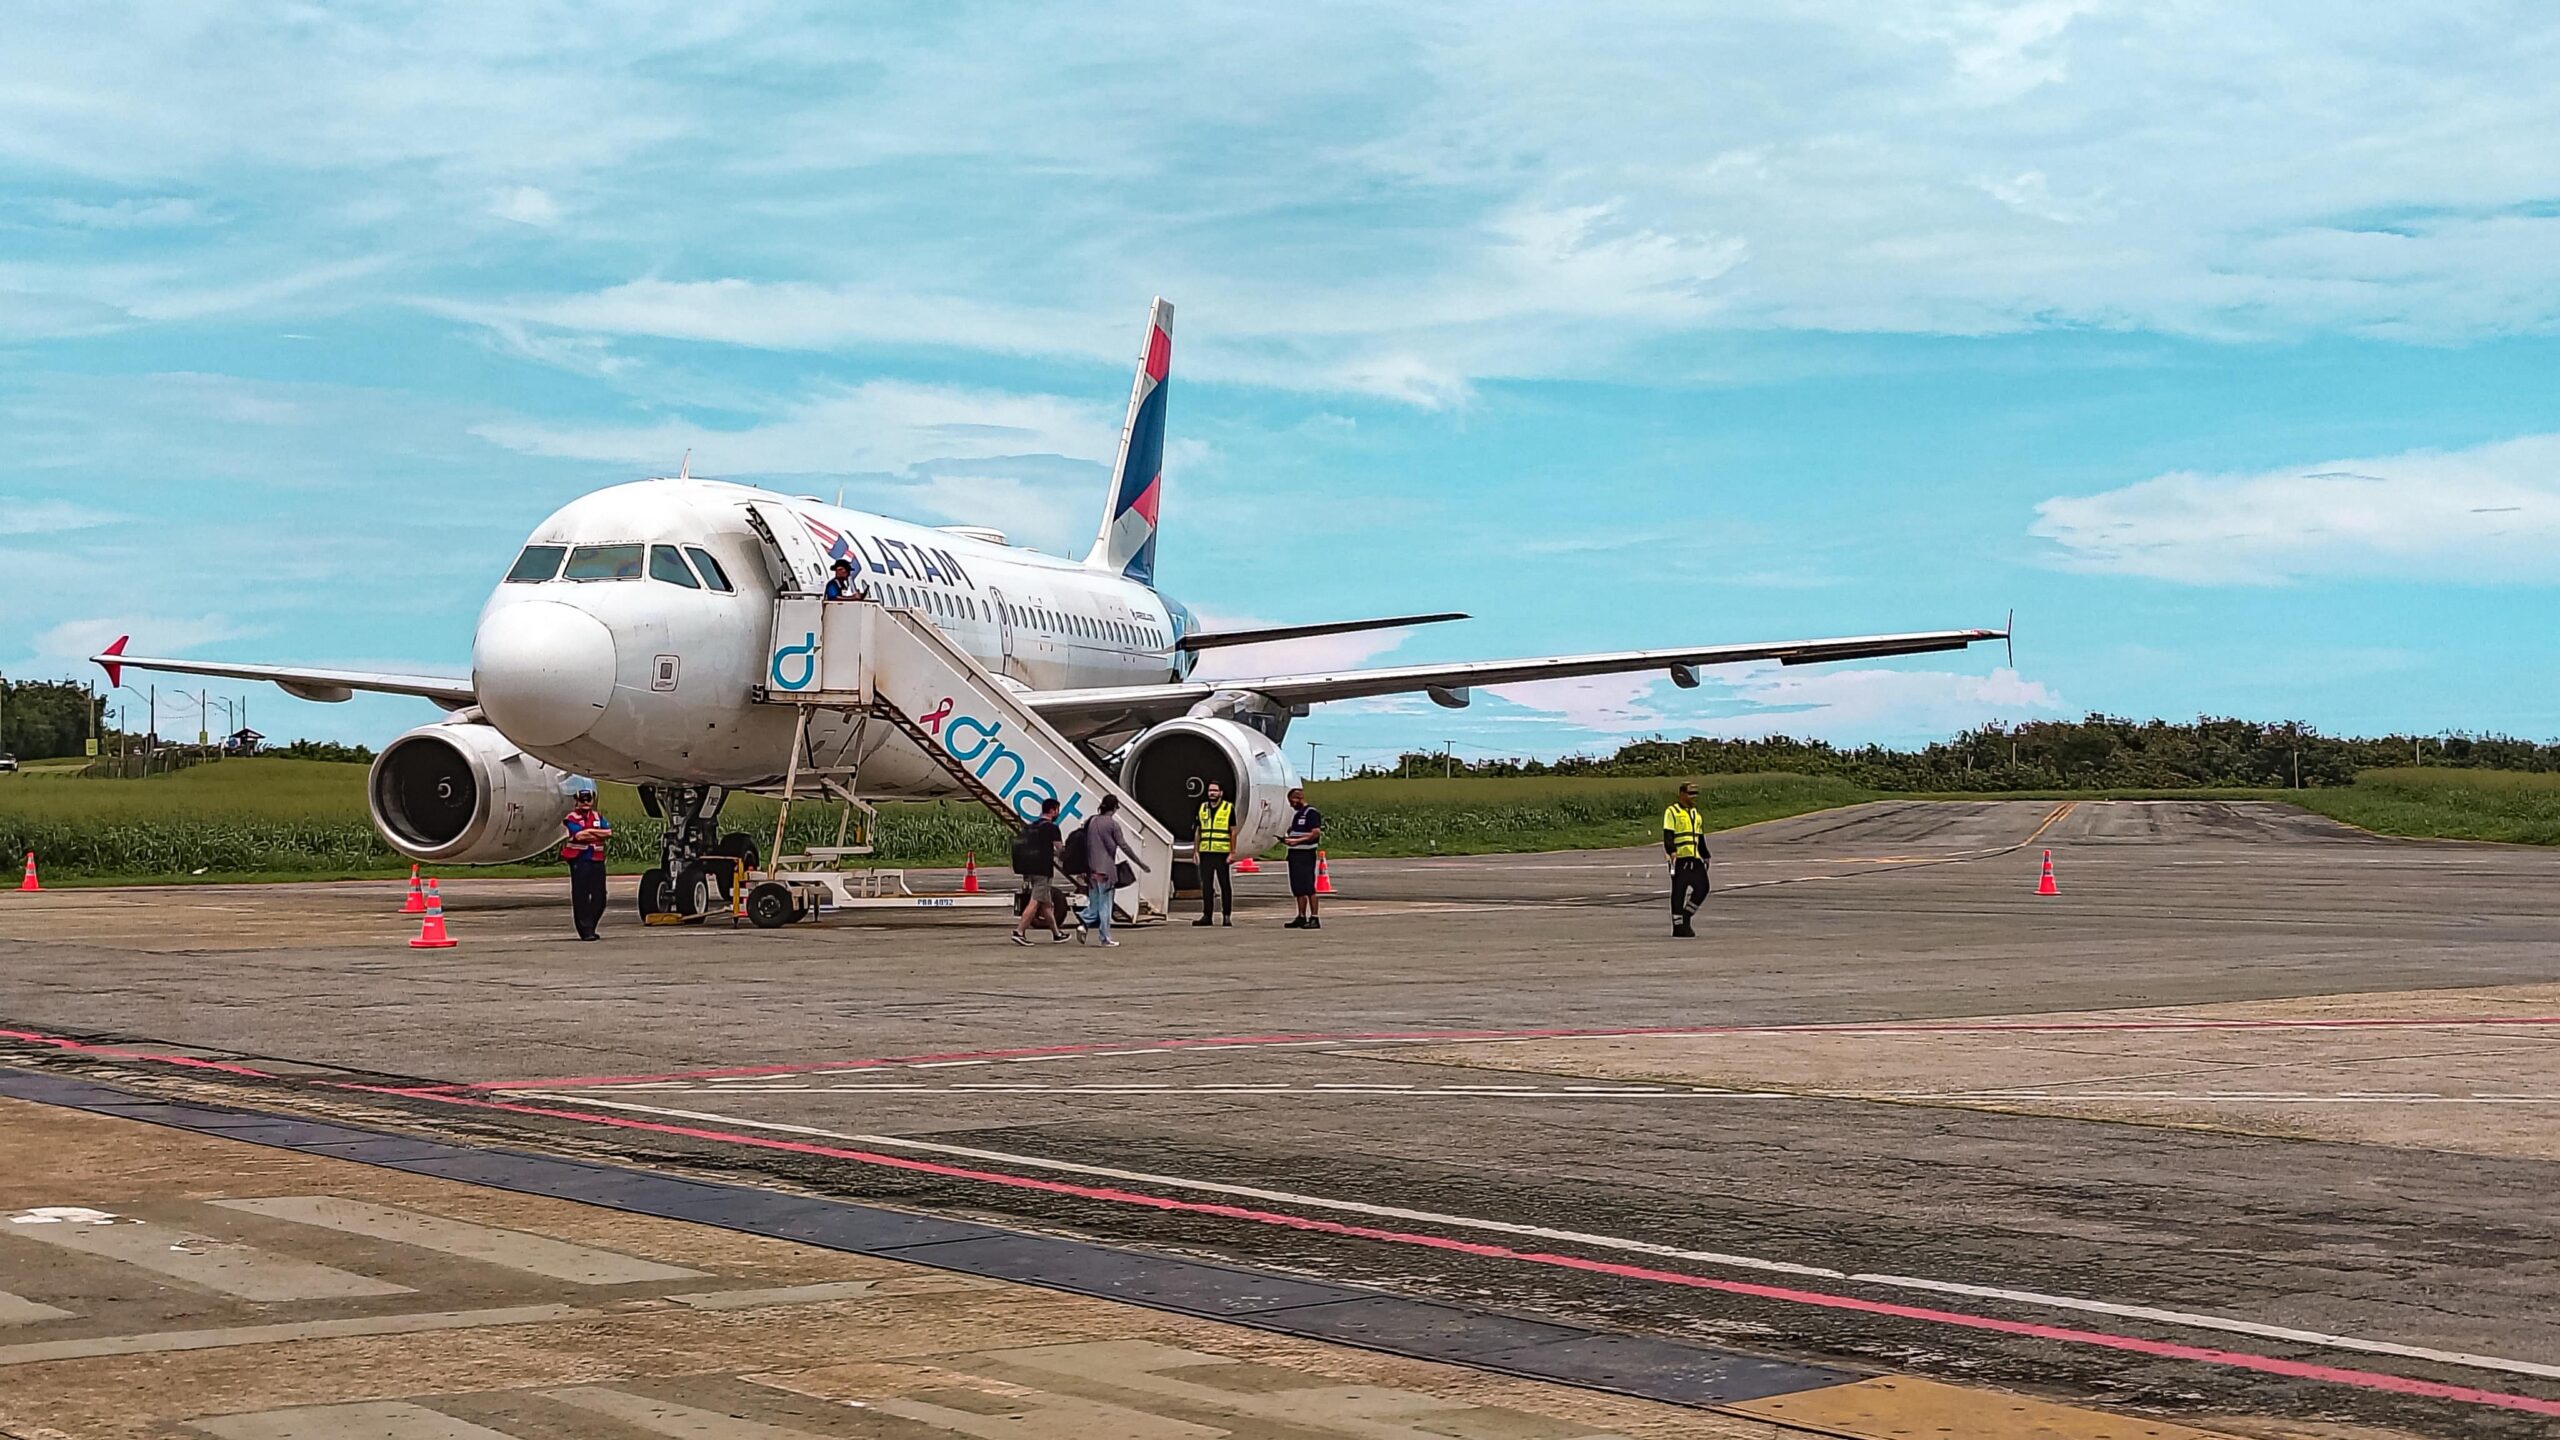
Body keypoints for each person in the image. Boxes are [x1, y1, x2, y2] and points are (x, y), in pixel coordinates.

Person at [1076, 793, 1148, 947]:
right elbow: (1123, 846)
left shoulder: (1092, 820)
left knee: (1094, 902)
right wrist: (1140, 863)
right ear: (1115, 808)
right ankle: (1104, 938)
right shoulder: (1113, 825)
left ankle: (1084, 923)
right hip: (1106, 870)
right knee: (1105, 905)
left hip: (1091, 869)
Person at [1010, 796, 1066, 947]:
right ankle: (1019, 931)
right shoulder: (1052, 828)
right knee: (1035, 902)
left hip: (1029, 868)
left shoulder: (1032, 826)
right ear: (1053, 810)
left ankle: (1057, 933)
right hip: (1043, 870)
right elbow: (1060, 849)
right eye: (1057, 810)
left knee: (1046, 904)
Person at [561, 786, 613, 942]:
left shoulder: (598, 816)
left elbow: (609, 833)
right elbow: (579, 835)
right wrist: (595, 833)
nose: (585, 803)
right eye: (582, 800)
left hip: (596, 859)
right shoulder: (571, 818)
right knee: (581, 895)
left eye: (588, 800)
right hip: (580, 860)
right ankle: (586, 930)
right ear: (577, 801)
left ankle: (591, 925)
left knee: (600, 897)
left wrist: (589, 832)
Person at [1663, 781, 1708, 937]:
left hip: (1695, 857)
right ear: (1681, 794)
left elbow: (1699, 836)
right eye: (1690, 794)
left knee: (1703, 888)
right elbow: (1668, 833)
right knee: (1679, 891)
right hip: (1680, 858)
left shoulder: (1696, 814)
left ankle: (1686, 915)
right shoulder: (1672, 811)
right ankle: (1678, 926)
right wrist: (1671, 851)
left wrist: (1705, 854)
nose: (1693, 797)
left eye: (1695, 794)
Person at [1192, 781, 1234, 926]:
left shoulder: (1228, 808)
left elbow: (1233, 831)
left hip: (1221, 853)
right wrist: (1195, 851)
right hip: (1205, 852)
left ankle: (1227, 915)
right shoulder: (1202, 808)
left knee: (1224, 885)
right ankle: (1207, 915)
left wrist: (1232, 852)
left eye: (1215, 790)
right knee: (1207, 886)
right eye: (1210, 790)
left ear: (1221, 793)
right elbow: (1198, 831)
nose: (1212, 793)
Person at [1282, 785, 1323, 929]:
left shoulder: (1311, 813)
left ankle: (1315, 917)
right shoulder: (1297, 814)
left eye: (1292, 801)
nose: (1291, 805)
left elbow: (1315, 832)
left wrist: (1297, 841)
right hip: (1294, 854)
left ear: (1298, 799)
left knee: (1308, 886)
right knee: (1298, 887)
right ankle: (1301, 915)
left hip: (1306, 854)